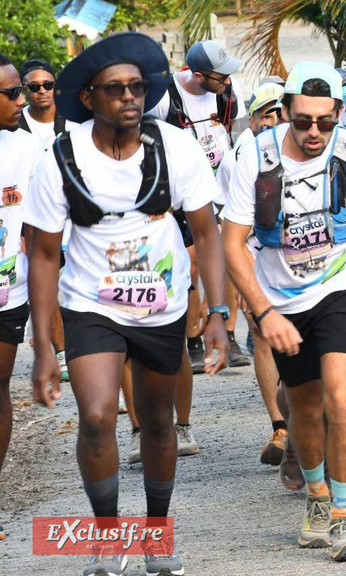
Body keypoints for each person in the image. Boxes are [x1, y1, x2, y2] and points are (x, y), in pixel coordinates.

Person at [26, 32, 230, 575]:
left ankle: (157, 537)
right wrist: (45, 344)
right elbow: (44, 253)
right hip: (91, 306)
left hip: (160, 308)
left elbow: (208, 235)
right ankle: (107, 538)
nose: (129, 97)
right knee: (95, 417)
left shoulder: (175, 147)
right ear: (89, 98)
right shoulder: (61, 159)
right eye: (115, 89)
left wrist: (216, 312)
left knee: (158, 423)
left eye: (137, 87)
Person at [223, 61, 346, 562]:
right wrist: (262, 315)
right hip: (281, 299)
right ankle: (318, 499)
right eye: (302, 120)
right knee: (302, 407)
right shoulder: (255, 158)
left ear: (338, 115)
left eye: (325, 121)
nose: (314, 132)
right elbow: (233, 243)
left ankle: (345, 520)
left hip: (342, 288)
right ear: (283, 112)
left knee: (341, 395)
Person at [148, 39, 247, 373]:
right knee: (189, 264)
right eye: (221, 77)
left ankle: (227, 333)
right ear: (199, 74)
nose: (228, 81)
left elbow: (236, 135)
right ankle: (190, 340)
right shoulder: (165, 96)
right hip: (182, 193)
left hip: (222, 188)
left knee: (231, 256)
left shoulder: (228, 94)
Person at [215, 81, 292, 467]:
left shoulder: (309, 147)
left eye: (281, 112)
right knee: (263, 338)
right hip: (257, 262)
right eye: (267, 114)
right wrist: (240, 277)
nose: (275, 120)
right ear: (254, 120)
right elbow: (226, 226)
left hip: (302, 262)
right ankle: (280, 426)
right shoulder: (238, 159)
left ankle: (304, 417)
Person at [0, 52, 43, 543]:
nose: (22, 101)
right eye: (12, 94)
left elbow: (38, 227)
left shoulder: (25, 149)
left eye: (22, 91)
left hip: (7, 295)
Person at [18, 58, 76, 384]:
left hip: (72, 220)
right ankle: (62, 351)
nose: (42, 91)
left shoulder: (73, 126)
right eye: (34, 86)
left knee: (74, 289)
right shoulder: (15, 127)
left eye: (48, 85)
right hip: (32, 223)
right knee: (48, 286)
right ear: (25, 90)